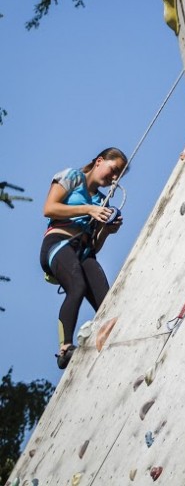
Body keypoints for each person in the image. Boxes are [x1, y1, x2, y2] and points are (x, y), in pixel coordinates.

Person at [40, 148, 127, 368]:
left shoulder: (101, 201)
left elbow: (94, 246)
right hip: (58, 243)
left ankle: (113, 342)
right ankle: (64, 348)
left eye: (119, 175)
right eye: (113, 170)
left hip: (84, 252)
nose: (114, 178)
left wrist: (107, 230)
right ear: (99, 161)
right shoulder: (72, 177)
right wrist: (88, 209)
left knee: (107, 302)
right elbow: (49, 208)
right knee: (77, 285)